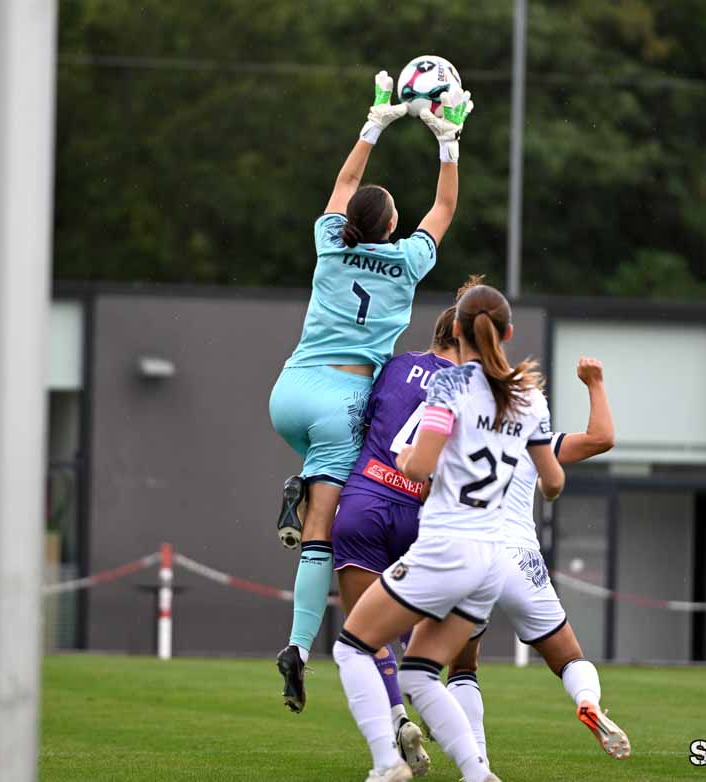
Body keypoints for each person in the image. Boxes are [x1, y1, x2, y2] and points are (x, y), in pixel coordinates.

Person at [270, 69, 473, 709]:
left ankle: (299, 489)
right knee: (322, 535)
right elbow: (443, 210)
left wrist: (375, 124)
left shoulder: (330, 245)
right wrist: (448, 142)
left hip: (289, 390)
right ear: (391, 226)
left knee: (319, 487)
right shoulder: (410, 261)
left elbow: (345, 185)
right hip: (342, 399)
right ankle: (300, 647)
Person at [333, 283, 563, 782]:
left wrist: (404, 457)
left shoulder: (451, 385)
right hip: (491, 562)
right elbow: (554, 482)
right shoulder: (531, 399)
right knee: (419, 670)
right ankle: (479, 774)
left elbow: (420, 465)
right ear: (507, 332)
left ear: (455, 329)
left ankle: (385, 764)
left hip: (446, 547)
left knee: (351, 645)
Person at [445, 356, 631, 766]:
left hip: (471, 555)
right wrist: (594, 382)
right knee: (569, 658)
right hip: (520, 558)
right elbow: (602, 438)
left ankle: (477, 765)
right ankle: (588, 702)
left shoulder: (455, 428)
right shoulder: (533, 437)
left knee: (462, 666)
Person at [327, 277, 478, 772]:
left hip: (367, 500)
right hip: (422, 516)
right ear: (462, 340)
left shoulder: (395, 366)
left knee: (363, 636)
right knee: (427, 631)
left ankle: (396, 721)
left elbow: (363, 423)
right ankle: (437, 704)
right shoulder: (470, 392)